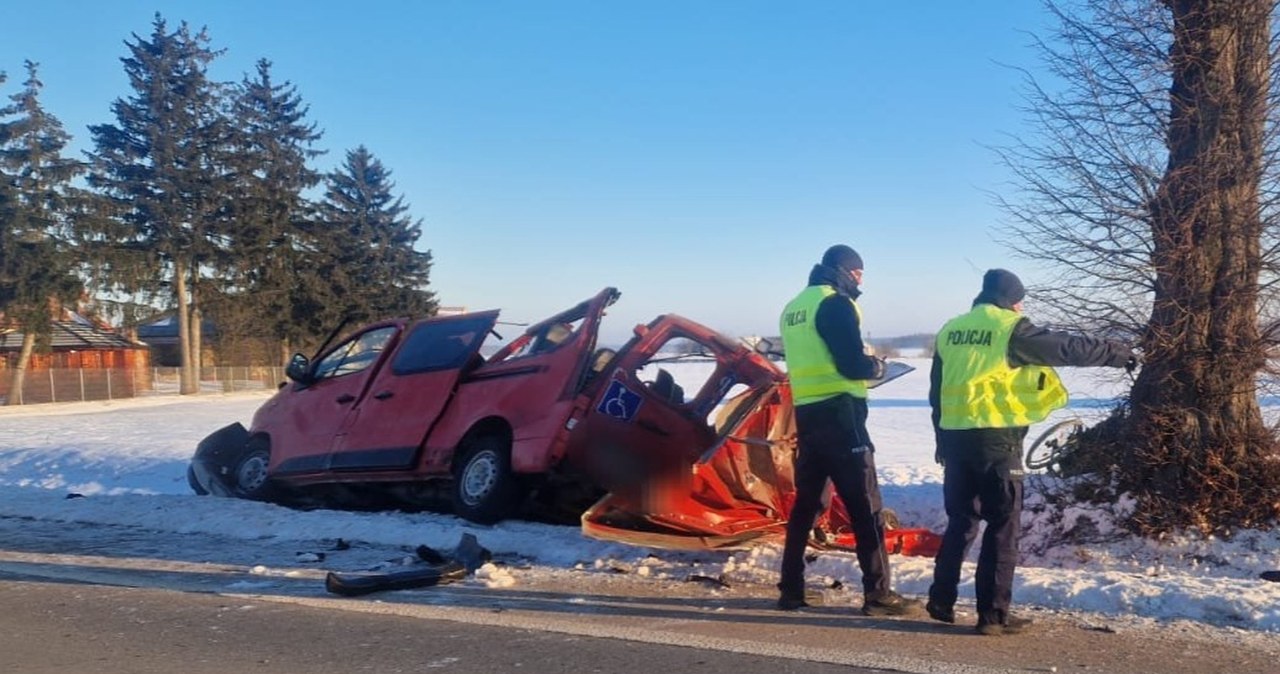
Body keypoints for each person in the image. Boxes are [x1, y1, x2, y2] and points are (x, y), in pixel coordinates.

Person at [926, 269, 1136, 636]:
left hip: (955, 440)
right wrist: (1116, 354)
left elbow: (936, 392)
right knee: (1003, 526)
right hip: (996, 440)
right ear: (1012, 299)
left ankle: (940, 599)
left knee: (961, 520)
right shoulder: (1011, 329)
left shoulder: (950, 330)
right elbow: (1066, 347)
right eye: (1020, 300)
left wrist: (941, 442)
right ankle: (992, 616)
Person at [775, 244, 921, 616]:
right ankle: (878, 594)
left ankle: (790, 589)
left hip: (808, 415)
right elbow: (851, 364)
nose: (860, 281)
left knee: (807, 505)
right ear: (846, 271)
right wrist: (874, 366)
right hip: (842, 416)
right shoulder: (835, 304)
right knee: (865, 506)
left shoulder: (793, 308)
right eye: (858, 274)